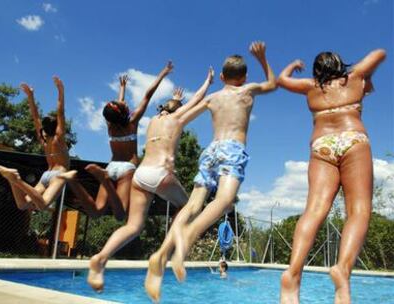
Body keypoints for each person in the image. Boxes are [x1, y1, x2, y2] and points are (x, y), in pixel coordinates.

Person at [145, 41, 276, 302]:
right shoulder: (247, 90)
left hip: (211, 150)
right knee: (225, 200)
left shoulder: (212, 98)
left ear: (224, 77)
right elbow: (273, 83)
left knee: (193, 205)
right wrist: (262, 58)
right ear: (245, 77)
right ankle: (188, 237)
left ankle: (161, 254)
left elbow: (180, 119)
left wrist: (163, 142)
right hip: (232, 150)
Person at [87, 67, 215, 292]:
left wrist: (174, 100)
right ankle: (167, 252)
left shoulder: (152, 120)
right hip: (160, 174)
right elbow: (198, 99)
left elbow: (161, 105)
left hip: (140, 175)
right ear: (178, 109)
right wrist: (208, 81)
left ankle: (101, 258)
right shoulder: (177, 119)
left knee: (134, 226)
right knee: (189, 206)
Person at [277, 49, 386, 304]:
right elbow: (380, 53)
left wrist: (292, 63)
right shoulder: (354, 76)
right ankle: (342, 270)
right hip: (353, 138)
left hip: (322, 143)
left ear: (316, 71)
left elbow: (282, 80)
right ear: (340, 65)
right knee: (358, 210)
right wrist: (364, 76)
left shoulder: (310, 86)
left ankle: (293, 273)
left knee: (313, 210)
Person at [59, 62, 173, 220]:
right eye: (123, 103)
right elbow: (148, 94)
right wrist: (163, 73)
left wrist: (122, 89)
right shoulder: (132, 123)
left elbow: (116, 110)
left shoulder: (111, 126)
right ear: (124, 112)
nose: (124, 102)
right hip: (127, 169)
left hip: (111, 166)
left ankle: (73, 181)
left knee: (96, 212)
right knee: (121, 215)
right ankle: (105, 181)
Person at [0, 76, 69, 211]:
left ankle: (13, 181)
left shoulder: (44, 140)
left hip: (47, 174)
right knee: (43, 205)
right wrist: (61, 91)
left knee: (23, 205)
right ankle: (16, 180)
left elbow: (35, 116)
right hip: (59, 173)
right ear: (57, 127)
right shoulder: (59, 138)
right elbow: (61, 112)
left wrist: (30, 96)